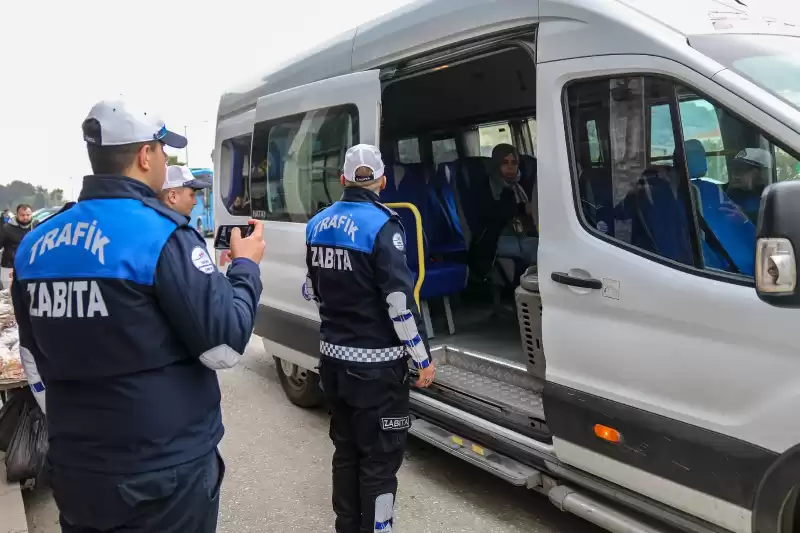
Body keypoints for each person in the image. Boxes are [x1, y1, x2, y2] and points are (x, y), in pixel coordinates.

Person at [11, 99, 265, 533]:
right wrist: (246, 269)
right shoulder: (162, 235)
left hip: (77, 467)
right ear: (145, 154)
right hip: (160, 473)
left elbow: (31, 358)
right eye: (164, 150)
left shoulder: (34, 245)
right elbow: (223, 349)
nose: (166, 160)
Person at [304, 143, 435, 533]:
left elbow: (311, 290)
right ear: (382, 180)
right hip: (377, 372)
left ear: (342, 179)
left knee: (346, 454)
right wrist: (422, 359)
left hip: (333, 363)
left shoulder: (317, 224)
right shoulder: (383, 226)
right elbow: (398, 302)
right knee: (380, 463)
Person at [469, 143, 537, 283]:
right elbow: (493, 216)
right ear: (496, 164)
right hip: (493, 239)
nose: (510, 167)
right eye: (505, 163)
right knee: (540, 249)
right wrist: (519, 208)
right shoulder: (485, 188)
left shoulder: (517, 186)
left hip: (517, 235)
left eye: (514, 163)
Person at [0, 204, 34, 289]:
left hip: (30, 266)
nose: (25, 217)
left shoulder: (37, 227)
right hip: (9, 267)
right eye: (22, 215)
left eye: (28, 215)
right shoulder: (7, 228)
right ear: (17, 215)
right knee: (9, 294)